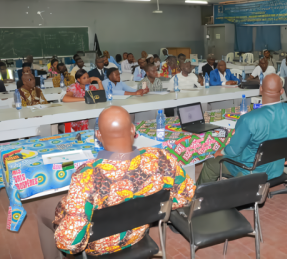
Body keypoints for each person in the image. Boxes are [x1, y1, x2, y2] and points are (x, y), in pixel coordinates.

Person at [36, 106, 195, 258]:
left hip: (98, 247)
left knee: (42, 209)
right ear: (133, 130)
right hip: (138, 233)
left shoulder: (86, 176)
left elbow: (70, 244)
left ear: (98, 135)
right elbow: (186, 195)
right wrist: (151, 208)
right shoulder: (161, 158)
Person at [197, 74, 287, 184]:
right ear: (282, 91)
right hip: (277, 169)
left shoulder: (248, 119)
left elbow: (234, 151)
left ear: (261, 89)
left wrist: (221, 151)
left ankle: (199, 201)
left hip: (249, 170)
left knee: (210, 164)